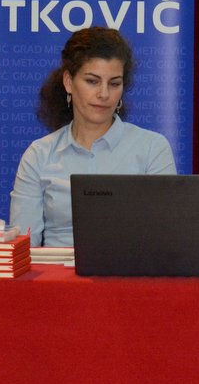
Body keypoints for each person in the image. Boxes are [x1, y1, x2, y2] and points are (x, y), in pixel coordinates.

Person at [9, 27, 177, 246]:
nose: (104, 94)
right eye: (92, 81)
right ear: (69, 82)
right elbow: (23, 246)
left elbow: (166, 238)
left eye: (114, 83)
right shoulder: (38, 155)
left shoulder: (152, 148)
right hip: (55, 268)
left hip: (129, 267)